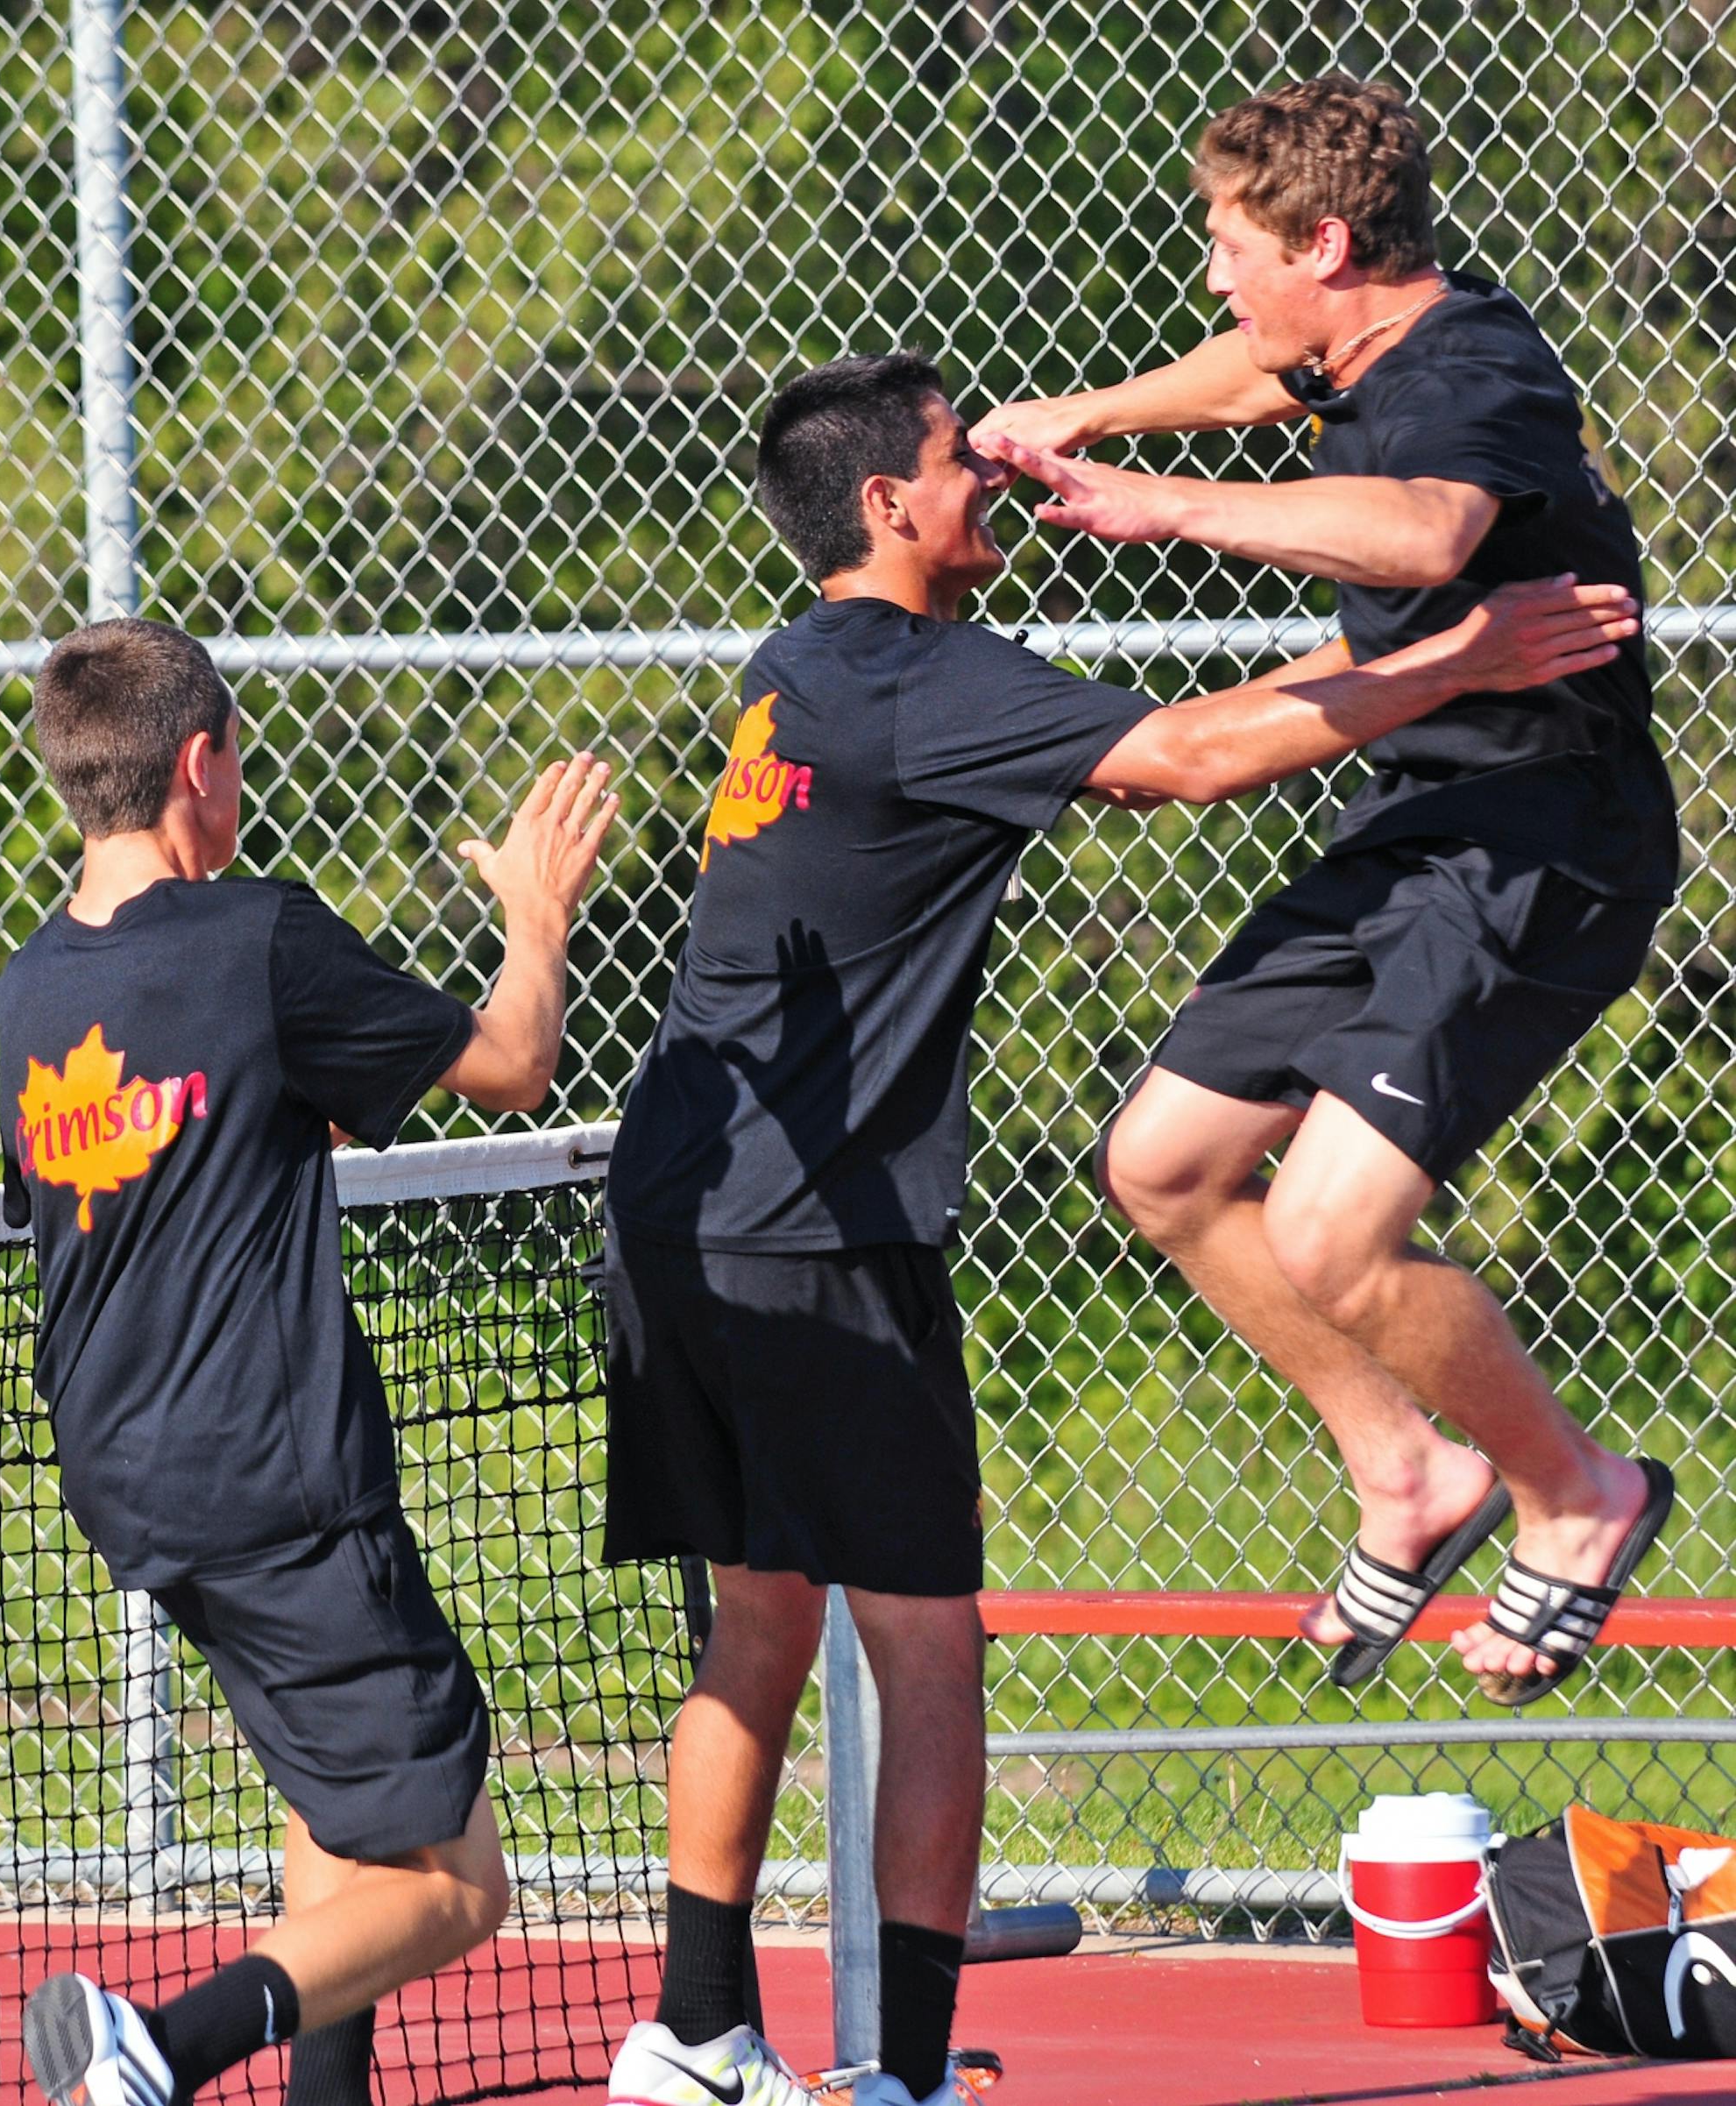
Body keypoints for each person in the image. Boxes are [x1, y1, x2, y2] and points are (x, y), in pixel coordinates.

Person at [596, 351, 1634, 2106]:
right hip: (815, 1232)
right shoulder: (917, 677)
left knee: (758, 1619)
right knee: (927, 1642)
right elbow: (1179, 760)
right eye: (959, 457)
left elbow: (1206, 722)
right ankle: (904, 2073)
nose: (987, 473)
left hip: (682, 1202)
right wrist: (1466, 659)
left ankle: (692, 2034)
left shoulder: (811, 666)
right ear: (888, 507)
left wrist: (1421, 657)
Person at [969, 74, 1679, 1705]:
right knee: (1162, 1161)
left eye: (1233, 245)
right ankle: (1407, 1470)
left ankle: (1580, 1494)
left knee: (1332, 1224)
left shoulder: (1477, 371)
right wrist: (1093, 417)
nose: (1216, 277)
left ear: (1330, 243)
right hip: (1419, 822)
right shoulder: (1347, 345)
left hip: (1541, 840)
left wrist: (1167, 509)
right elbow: (1247, 370)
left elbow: (1426, 533)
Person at [0, 616, 615, 2106]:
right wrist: (538, 921)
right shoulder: (255, 934)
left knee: (335, 1798)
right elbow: (512, 1063)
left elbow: (143, 1159)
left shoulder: (30, 988)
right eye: (238, 761)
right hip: (275, 1484)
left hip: (132, 1485)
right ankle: (162, 2048)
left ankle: (322, 2095)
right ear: (197, 764)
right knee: (461, 1887)